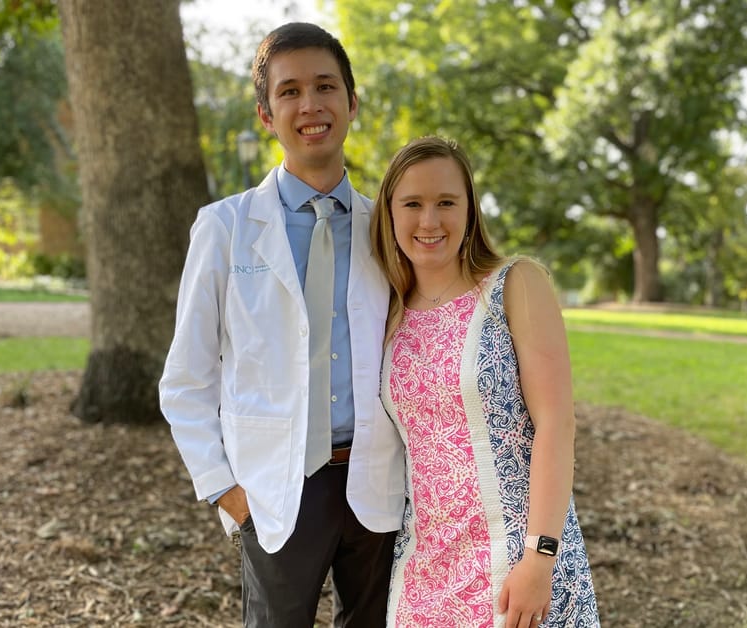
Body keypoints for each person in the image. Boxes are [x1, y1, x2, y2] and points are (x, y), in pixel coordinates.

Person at [159, 22, 405, 627]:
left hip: (374, 478)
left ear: (352, 102)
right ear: (266, 115)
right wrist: (226, 491)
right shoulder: (225, 227)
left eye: (326, 86)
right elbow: (185, 381)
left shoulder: (391, 229)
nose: (310, 104)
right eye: (289, 91)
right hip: (276, 487)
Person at [370, 136, 599, 627]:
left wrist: (540, 557)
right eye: (412, 204)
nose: (429, 221)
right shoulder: (385, 310)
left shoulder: (515, 285)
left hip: (518, 561)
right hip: (424, 569)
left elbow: (556, 423)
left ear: (470, 211)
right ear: (389, 214)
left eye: (446, 203)